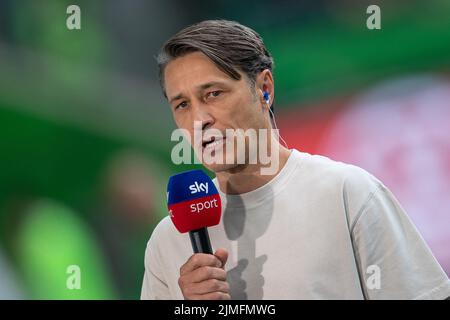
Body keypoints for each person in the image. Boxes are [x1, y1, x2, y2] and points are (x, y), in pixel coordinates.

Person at [141, 20, 450, 300]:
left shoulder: (346, 193)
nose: (199, 119)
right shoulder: (167, 241)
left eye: (213, 94)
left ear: (264, 89)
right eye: (182, 104)